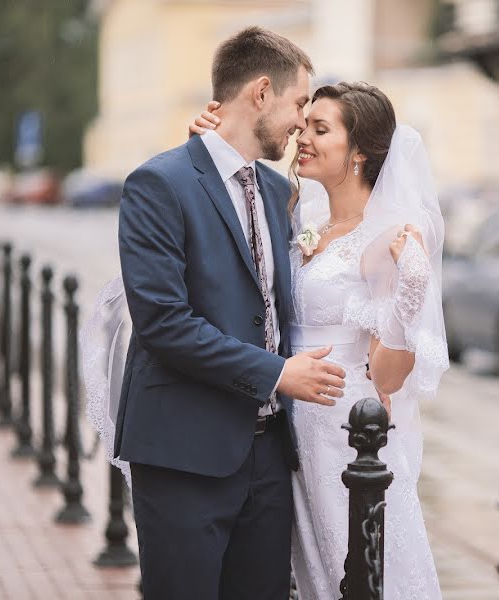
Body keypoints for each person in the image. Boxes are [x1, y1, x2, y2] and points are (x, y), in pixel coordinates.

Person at [81, 27, 346, 600]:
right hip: (184, 455)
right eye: (300, 103)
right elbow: (164, 323)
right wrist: (277, 373)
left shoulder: (279, 194)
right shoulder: (160, 183)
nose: (302, 120)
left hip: (270, 456)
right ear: (261, 92)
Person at [190, 81, 449, 598]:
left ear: (358, 152)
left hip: (348, 429)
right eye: (305, 124)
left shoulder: (391, 234)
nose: (303, 136)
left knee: (359, 571)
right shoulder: (305, 220)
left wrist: (410, 292)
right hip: (292, 426)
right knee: (310, 576)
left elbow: (391, 378)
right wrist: (212, 141)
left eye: (321, 128)